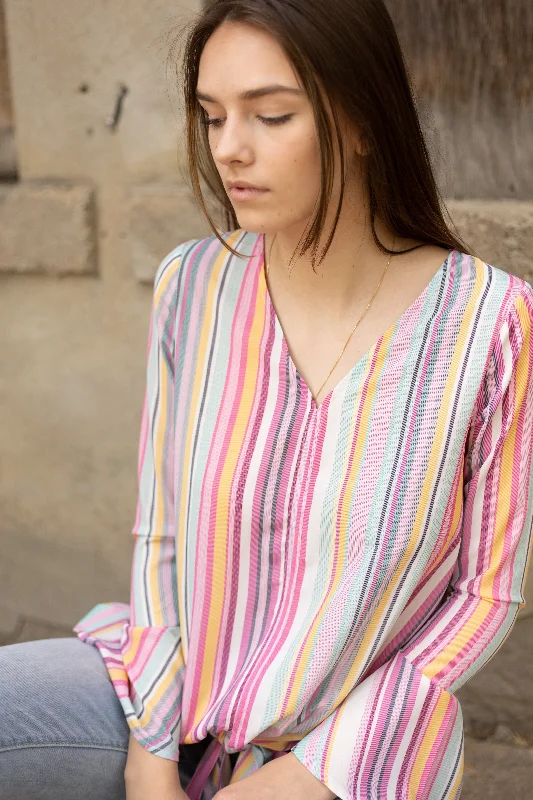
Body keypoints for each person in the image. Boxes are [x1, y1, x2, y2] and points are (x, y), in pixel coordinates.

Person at [2, 1, 533, 799]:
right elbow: (162, 533)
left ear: (362, 120)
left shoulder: (493, 325)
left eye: (270, 114)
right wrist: (151, 757)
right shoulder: (194, 284)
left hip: (364, 752)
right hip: (171, 698)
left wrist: (303, 777)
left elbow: (484, 594)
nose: (228, 149)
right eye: (212, 117)